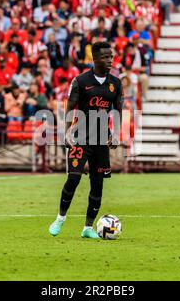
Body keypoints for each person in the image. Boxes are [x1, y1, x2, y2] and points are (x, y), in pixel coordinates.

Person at [48, 41, 123, 239]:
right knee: (73, 178)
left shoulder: (116, 83)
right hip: (80, 137)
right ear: (95, 58)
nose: (110, 60)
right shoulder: (80, 81)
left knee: (97, 185)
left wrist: (116, 134)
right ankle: (60, 219)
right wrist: (65, 132)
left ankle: (88, 228)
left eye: (111, 56)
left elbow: (118, 111)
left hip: (101, 140)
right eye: (106, 57)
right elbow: (70, 107)